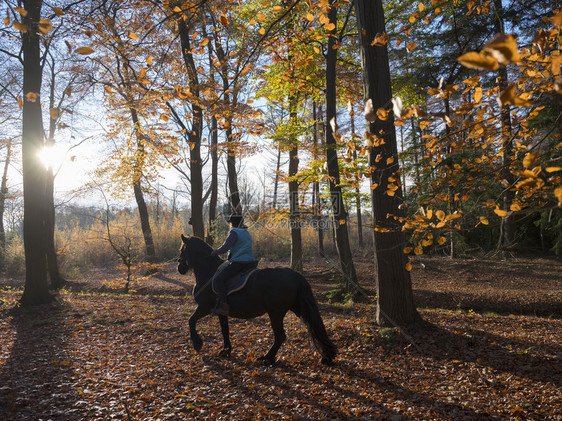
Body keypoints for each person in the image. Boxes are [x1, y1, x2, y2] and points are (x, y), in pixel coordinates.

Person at [210, 214, 255, 316]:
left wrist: (214, 252)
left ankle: (224, 307)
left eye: (230, 222)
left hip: (239, 262)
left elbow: (225, 248)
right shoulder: (246, 233)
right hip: (250, 262)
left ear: (232, 223)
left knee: (219, 279)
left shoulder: (234, 232)